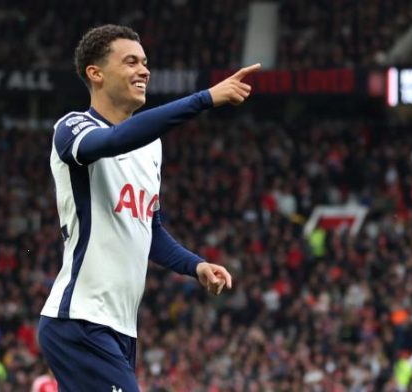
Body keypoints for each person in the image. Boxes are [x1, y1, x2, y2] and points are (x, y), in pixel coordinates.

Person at [38, 24, 260, 390]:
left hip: (122, 328)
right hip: (79, 320)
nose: (144, 70)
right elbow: (113, 140)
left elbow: (149, 229)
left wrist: (196, 265)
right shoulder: (72, 128)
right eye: (130, 62)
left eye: (145, 62)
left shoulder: (150, 147)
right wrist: (203, 98)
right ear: (95, 73)